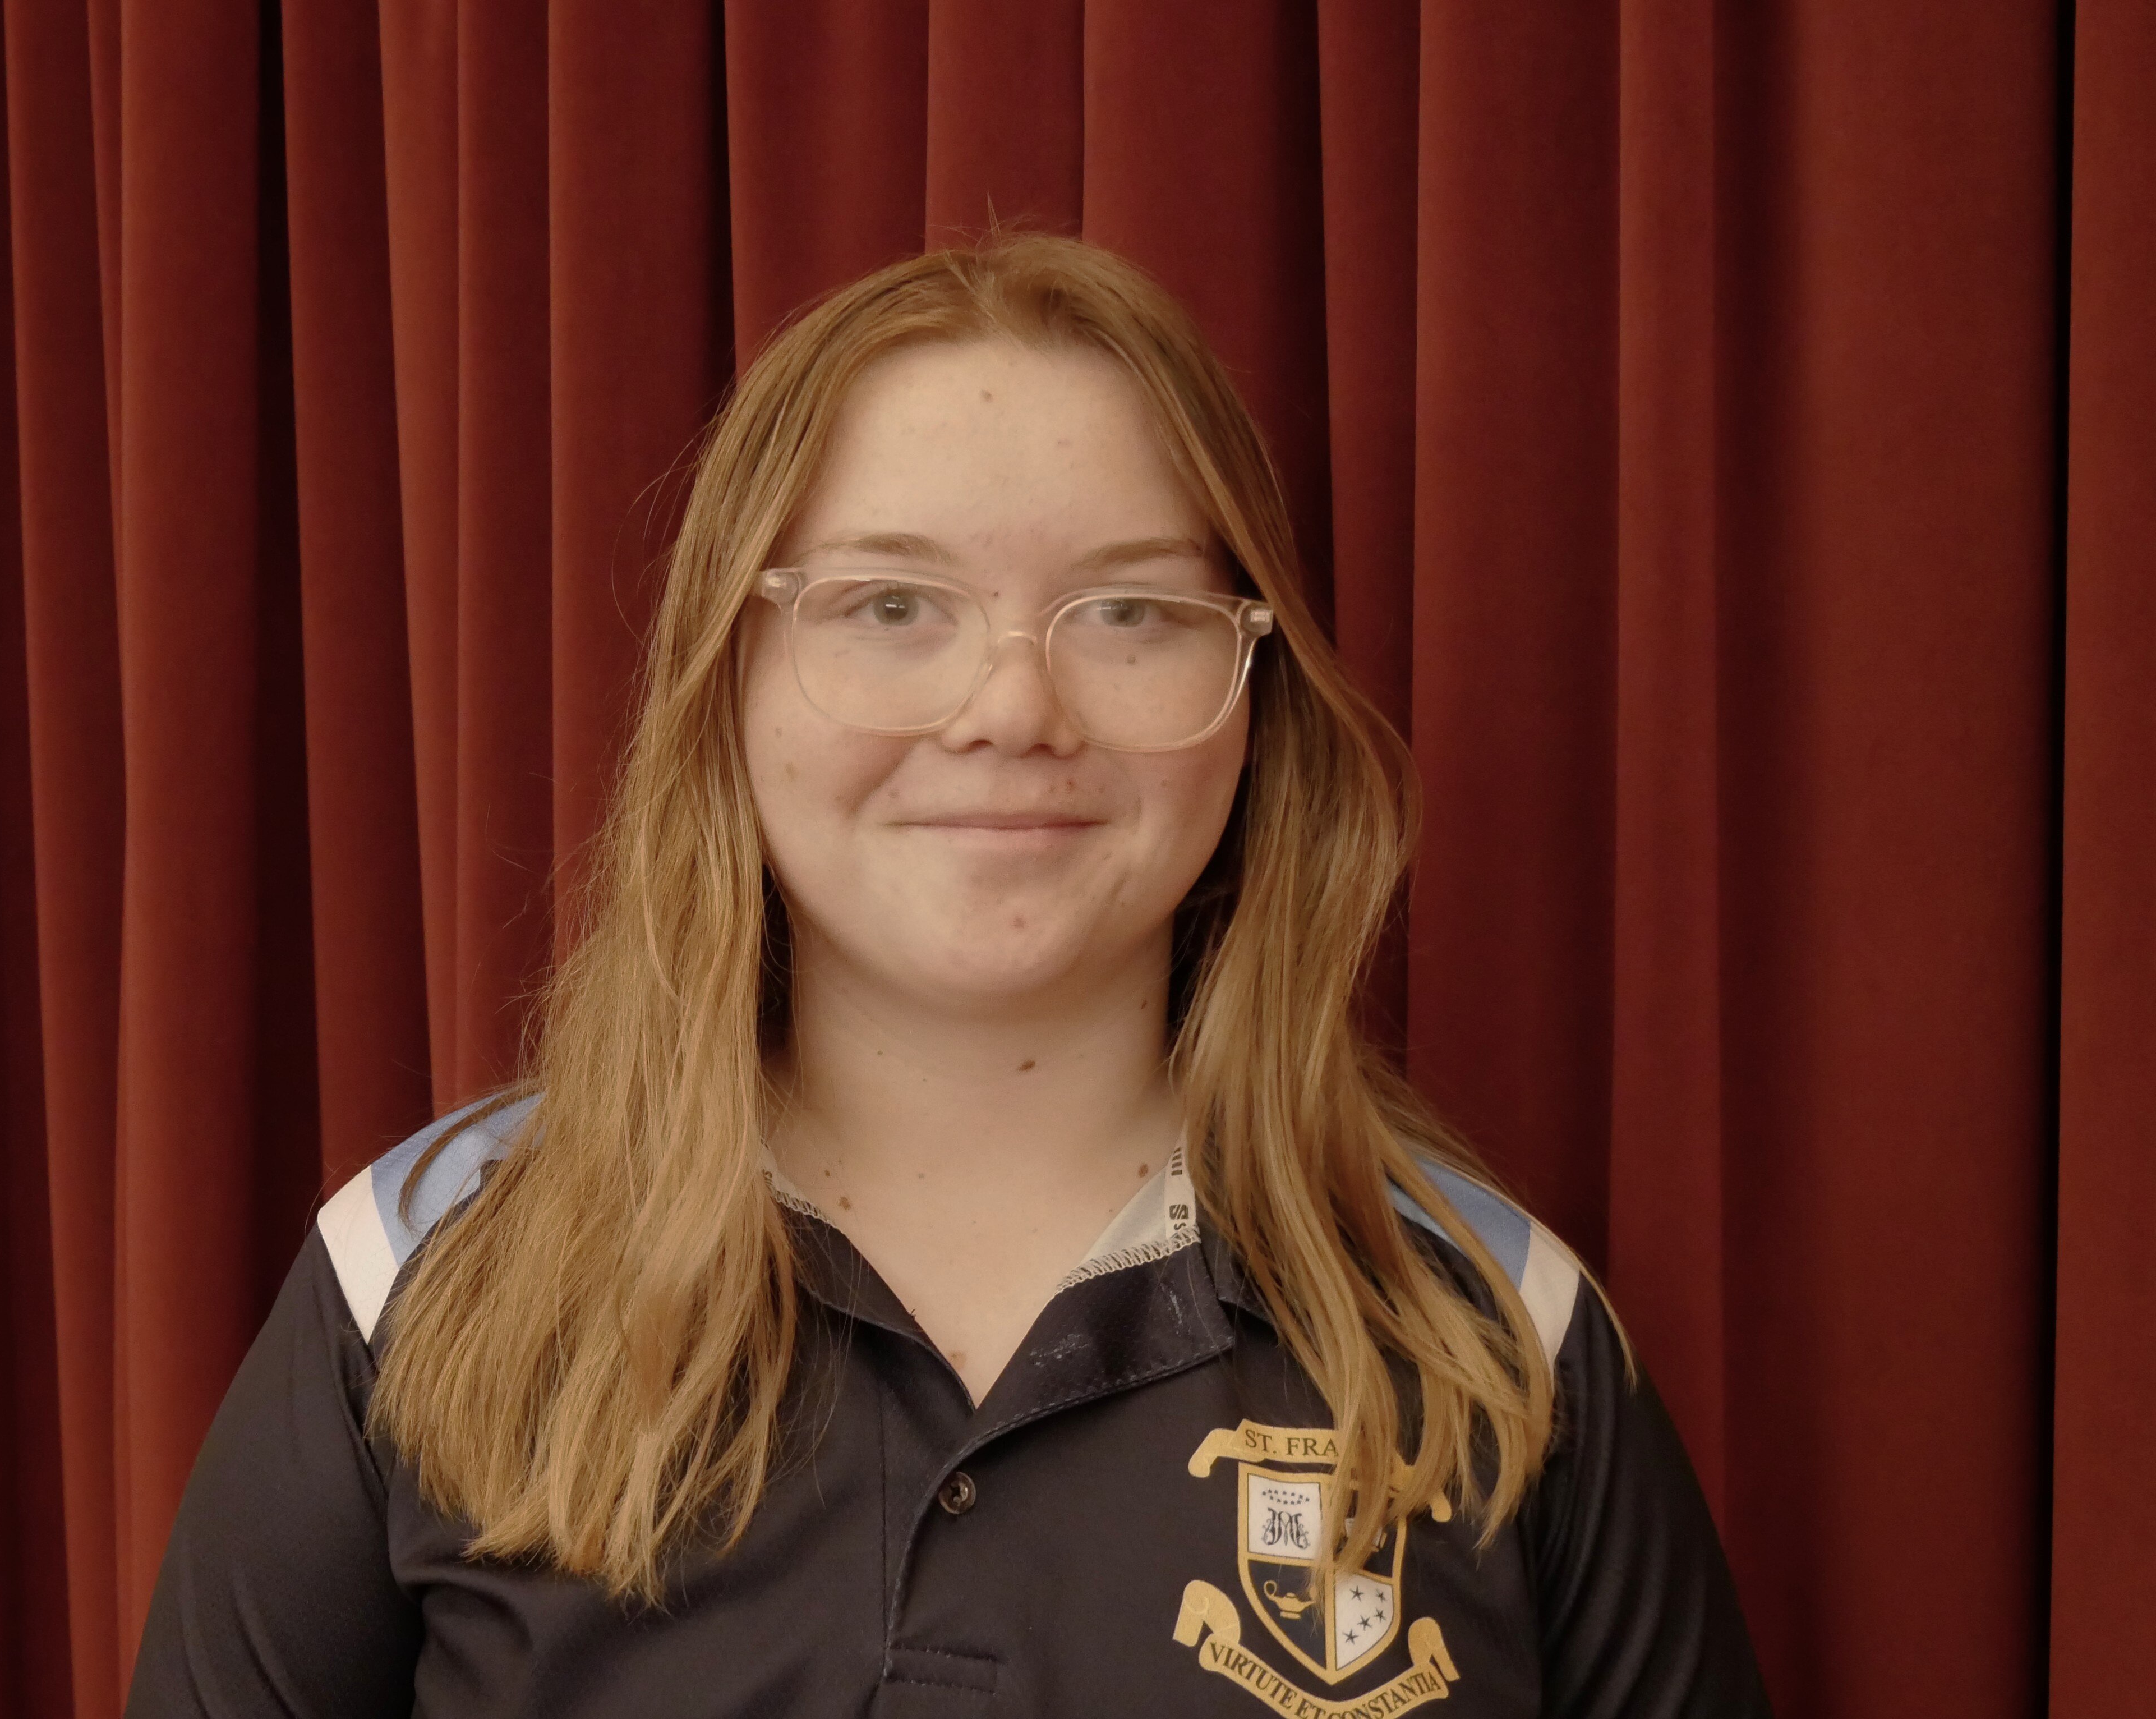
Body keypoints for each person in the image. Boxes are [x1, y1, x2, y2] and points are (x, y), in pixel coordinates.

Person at [126, 234, 1769, 1718]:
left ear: (1256, 694)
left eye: (1129, 612)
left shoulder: (1498, 1341)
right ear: (727, 674)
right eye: (893, 603)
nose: (1012, 710)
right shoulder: (421, 1283)